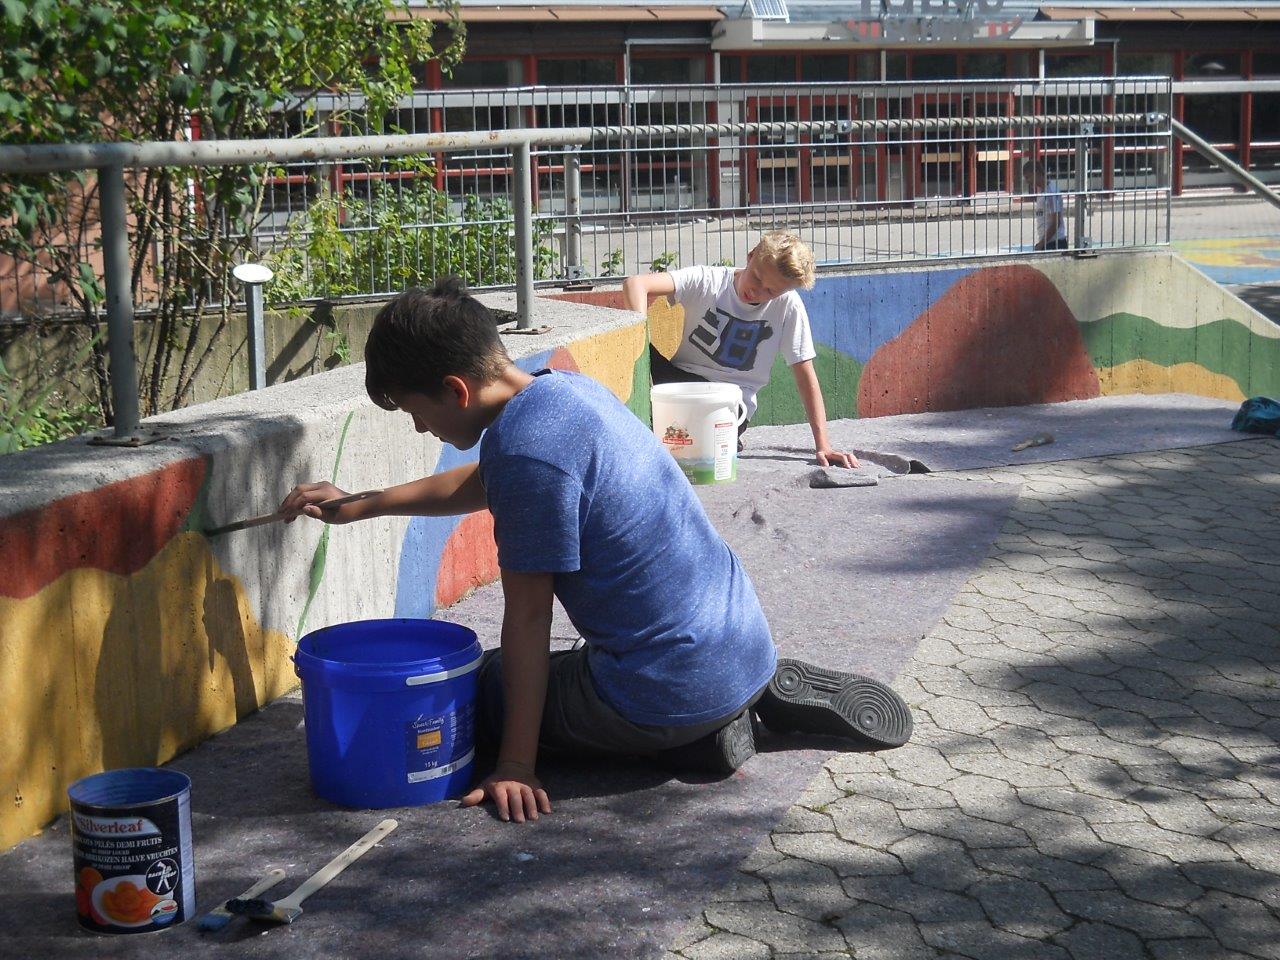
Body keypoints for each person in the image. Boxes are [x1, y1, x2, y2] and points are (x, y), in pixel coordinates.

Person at [279, 278, 912, 824]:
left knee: (475, 693)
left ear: (455, 389)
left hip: (660, 689)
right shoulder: (562, 393)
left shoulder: (525, 452)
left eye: (415, 412)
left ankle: (694, 735)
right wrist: (364, 502)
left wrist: (517, 766)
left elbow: (528, 618)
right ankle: (736, 689)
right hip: (738, 637)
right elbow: (497, 481)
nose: (419, 427)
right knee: (535, 673)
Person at [622, 233, 858, 467]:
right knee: (640, 345)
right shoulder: (709, 281)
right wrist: (639, 337)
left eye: (771, 291)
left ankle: (718, 438)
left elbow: (806, 375)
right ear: (751, 255)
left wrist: (823, 445)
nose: (757, 292)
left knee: (691, 435)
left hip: (731, 404)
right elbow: (636, 284)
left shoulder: (788, 306)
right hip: (682, 385)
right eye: (756, 278)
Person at [1022, 158, 1069, 252]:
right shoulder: (1042, 191)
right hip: (1048, 242)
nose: (1027, 181)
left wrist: (1041, 244)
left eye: (1028, 177)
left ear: (1037, 173)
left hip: (1055, 244)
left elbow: (1056, 222)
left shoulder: (1051, 192)